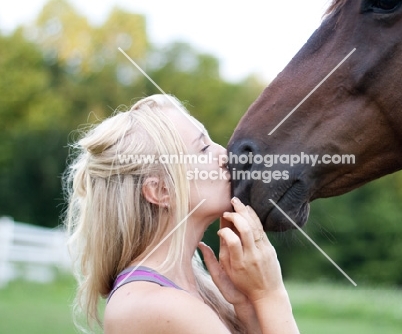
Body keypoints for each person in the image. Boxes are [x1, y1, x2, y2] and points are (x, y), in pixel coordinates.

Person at [64, 94, 299, 333]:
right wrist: (269, 295)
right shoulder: (160, 306)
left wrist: (246, 308)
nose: (224, 155)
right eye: (204, 148)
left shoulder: (198, 291)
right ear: (161, 191)